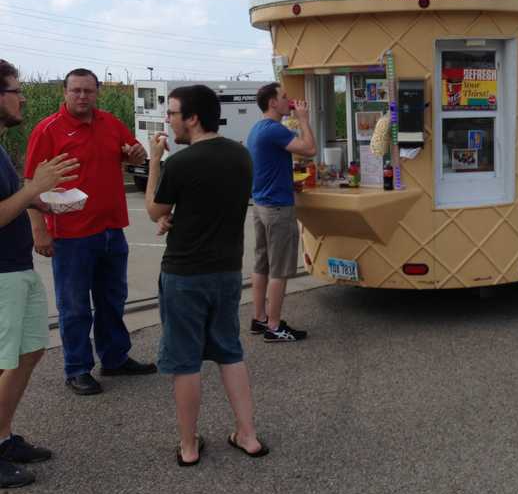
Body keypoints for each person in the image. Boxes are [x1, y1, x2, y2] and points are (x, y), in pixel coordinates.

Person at [145, 84, 267, 466]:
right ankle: (247, 435)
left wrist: (154, 161)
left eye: (174, 113)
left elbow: (152, 208)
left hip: (185, 274)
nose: (170, 120)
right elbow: (211, 207)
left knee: (185, 361)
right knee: (229, 351)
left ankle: (188, 445)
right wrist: (178, 218)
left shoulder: (181, 162)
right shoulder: (241, 155)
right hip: (228, 272)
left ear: (193, 118)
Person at [24, 68, 156, 396]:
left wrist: (136, 154)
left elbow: (132, 152)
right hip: (71, 234)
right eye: (76, 90)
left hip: (112, 228)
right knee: (75, 306)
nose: (82, 96)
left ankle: (114, 358)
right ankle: (77, 368)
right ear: (64, 93)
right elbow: (30, 184)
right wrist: (39, 231)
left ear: (97, 92)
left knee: (113, 300)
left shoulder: (110, 122)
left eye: (88, 90)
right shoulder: (48, 130)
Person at [0, 60, 80, 488]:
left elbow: (12, 200)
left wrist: (42, 203)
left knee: (28, 353)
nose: (22, 98)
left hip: (17, 268)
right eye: (14, 90)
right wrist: (33, 188)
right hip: (1, 275)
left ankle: (3, 437)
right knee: (3, 360)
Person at [246, 82, 316, 342]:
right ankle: (274, 327)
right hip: (278, 209)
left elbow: (267, 166)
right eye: (284, 97)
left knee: (261, 263)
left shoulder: (257, 129)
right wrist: (304, 120)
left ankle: (260, 318)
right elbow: (310, 150)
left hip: (262, 205)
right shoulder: (275, 130)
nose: (290, 101)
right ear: (272, 103)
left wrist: (287, 180)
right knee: (279, 269)